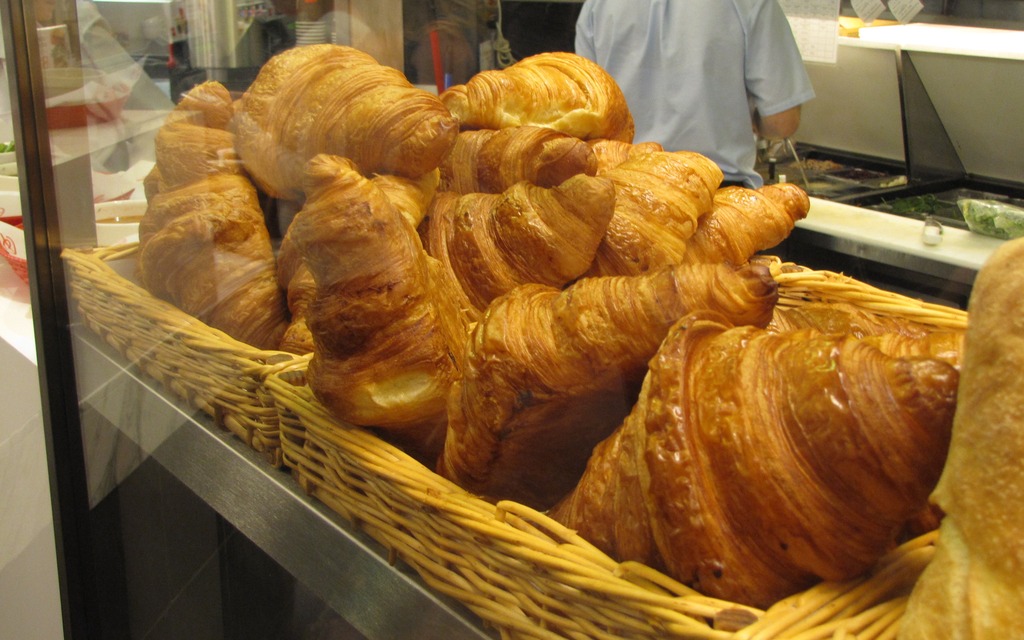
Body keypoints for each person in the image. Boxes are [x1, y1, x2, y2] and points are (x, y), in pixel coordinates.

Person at [575, 0, 815, 188]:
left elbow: (586, 115)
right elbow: (783, 121)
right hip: (714, 195)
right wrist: (754, 121)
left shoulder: (597, 6)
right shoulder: (750, 3)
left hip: (626, 190)